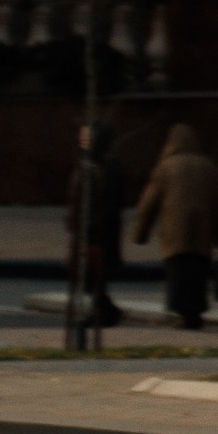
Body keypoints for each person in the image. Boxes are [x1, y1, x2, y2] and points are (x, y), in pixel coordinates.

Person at [131, 123, 218, 330]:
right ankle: (194, 313)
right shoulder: (208, 167)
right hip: (202, 236)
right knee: (197, 274)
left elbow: (148, 204)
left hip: (175, 236)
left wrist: (140, 234)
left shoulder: (166, 167)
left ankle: (181, 313)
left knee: (179, 274)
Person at [65, 121, 125, 332]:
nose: (82, 139)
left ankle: (104, 312)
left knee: (93, 274)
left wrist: (89, 230)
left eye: (87, 136)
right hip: (87, 229)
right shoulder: (87, 163)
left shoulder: (103, 166)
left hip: (98, 232)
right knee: (90, 277)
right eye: (81, 135)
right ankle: (104, 311)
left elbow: (104, 202)